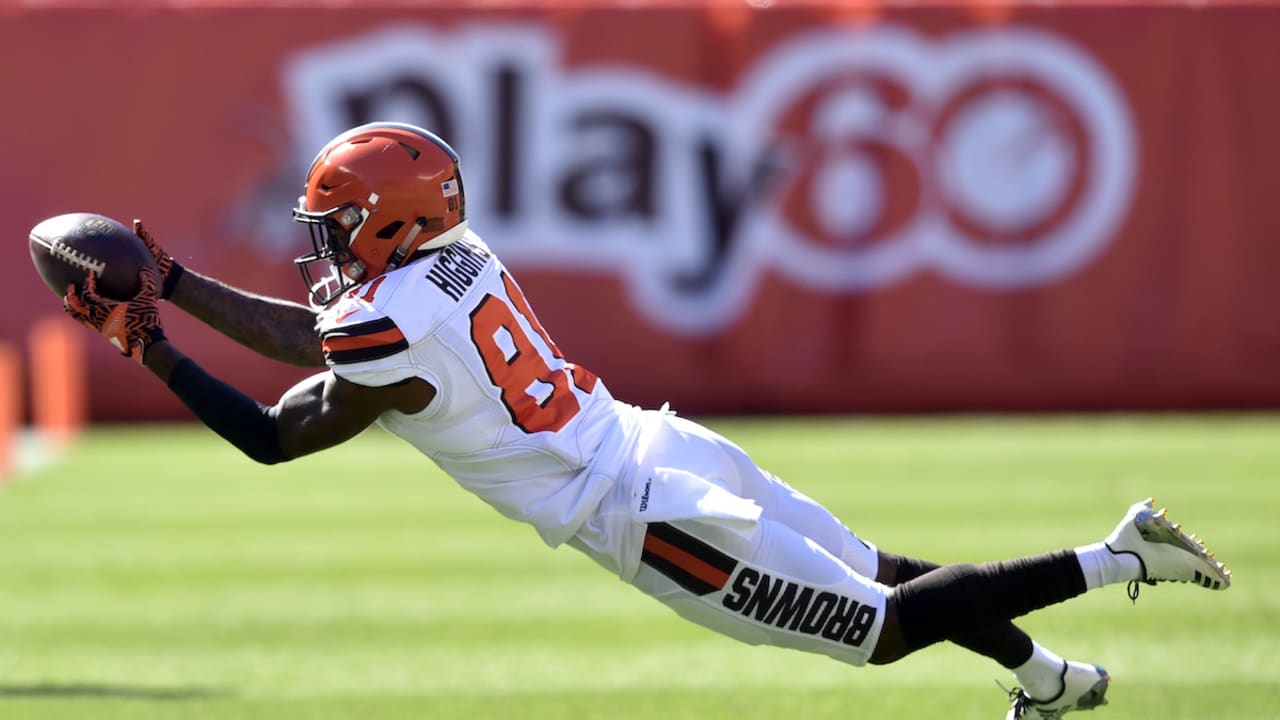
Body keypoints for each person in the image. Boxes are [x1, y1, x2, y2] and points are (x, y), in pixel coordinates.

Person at [61, 122, 1231, 719]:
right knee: (878, 570)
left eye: (336, 222)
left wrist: (153, 344)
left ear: (384, 226)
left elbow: (280, 428)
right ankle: (1048, 681)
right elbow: (321, 341)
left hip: (642, 512)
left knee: (878, 629)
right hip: (656, 440)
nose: (318, 242)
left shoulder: (380, 332)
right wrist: (169, 284)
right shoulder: (455, 255)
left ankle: (1117, 552)